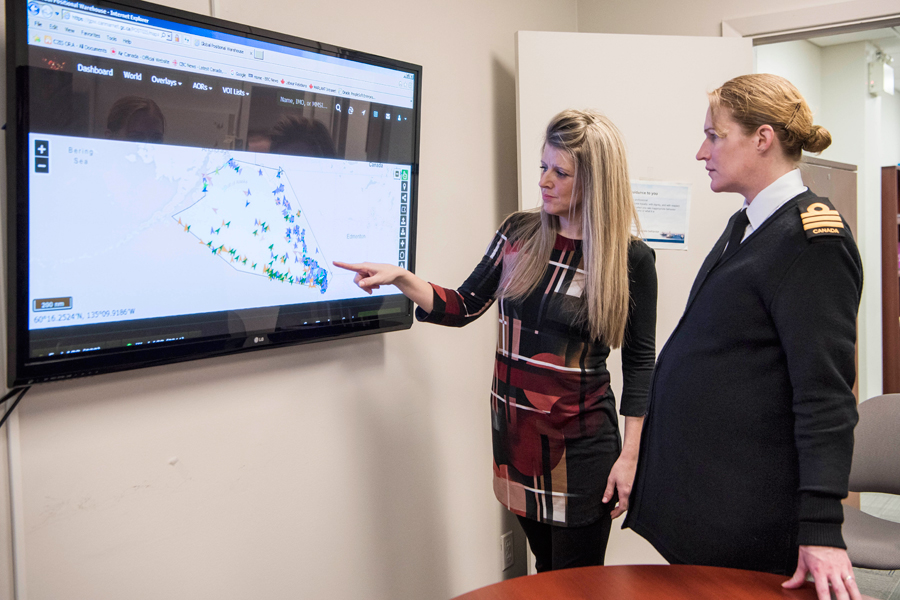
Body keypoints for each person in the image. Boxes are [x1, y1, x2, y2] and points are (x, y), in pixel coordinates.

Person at [335, 109, 658, 571]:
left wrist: (630, 456)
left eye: (560, 172)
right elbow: (464, 304)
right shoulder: (518, 233)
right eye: (542, 167)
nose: (544, 180)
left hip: (582, 453)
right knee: (544, 573)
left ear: (596, 182)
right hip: (516, 443)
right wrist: (403, 278)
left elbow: (642, 363)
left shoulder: (631, 259)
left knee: (575, 587)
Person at [624, 74, 863, 600]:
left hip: (750, 510)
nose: (700, 151)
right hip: (708, 494)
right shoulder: (748, 224)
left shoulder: (810, 240)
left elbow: (825, 396)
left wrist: (822, 527)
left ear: (762, 138)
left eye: (714, 135)